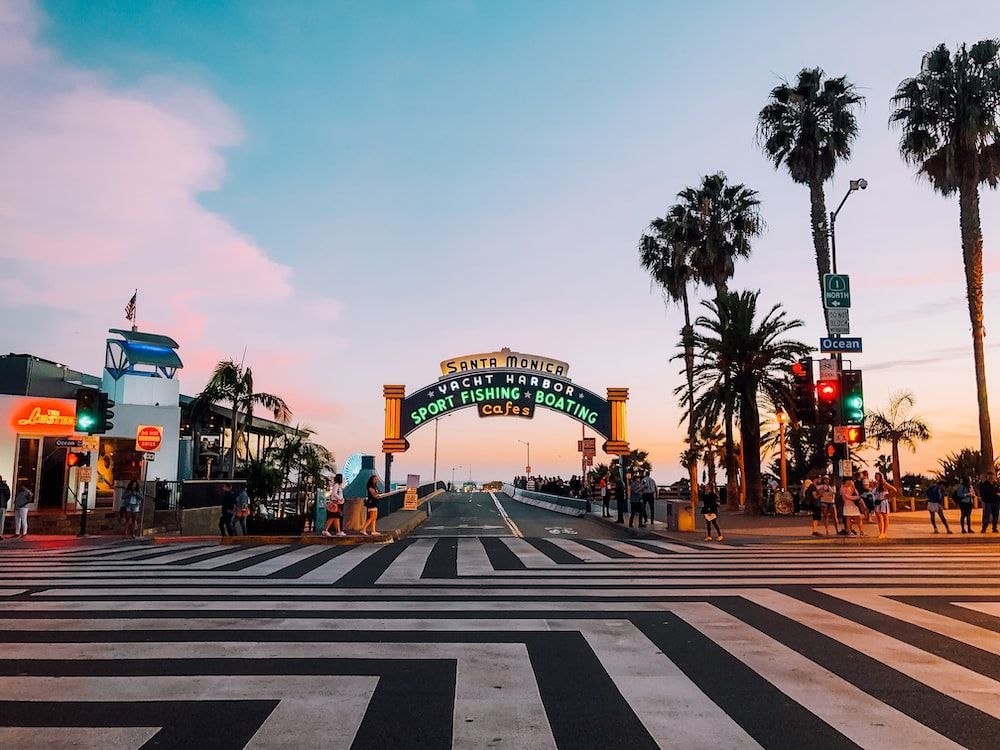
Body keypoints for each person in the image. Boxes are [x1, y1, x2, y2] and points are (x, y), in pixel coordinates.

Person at [871, 473, 894, 539]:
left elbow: (894, 490)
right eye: (875, 476)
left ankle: (884, 532)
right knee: (879, 517)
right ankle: (881, 532)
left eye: (877, 476)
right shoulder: (875, 484)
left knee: (885, 517)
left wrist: (888, 496)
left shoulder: (884, 483)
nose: (876, 477)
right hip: (877, 502)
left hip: (883, 501)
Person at [0, 474, 10, 540]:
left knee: (1, 520)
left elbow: (7, 495)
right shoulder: (5, 486)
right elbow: (8, 495)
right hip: (2, 505)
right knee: (1, 520)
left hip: (2, 504)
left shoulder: (4, 486)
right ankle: (0, 534)